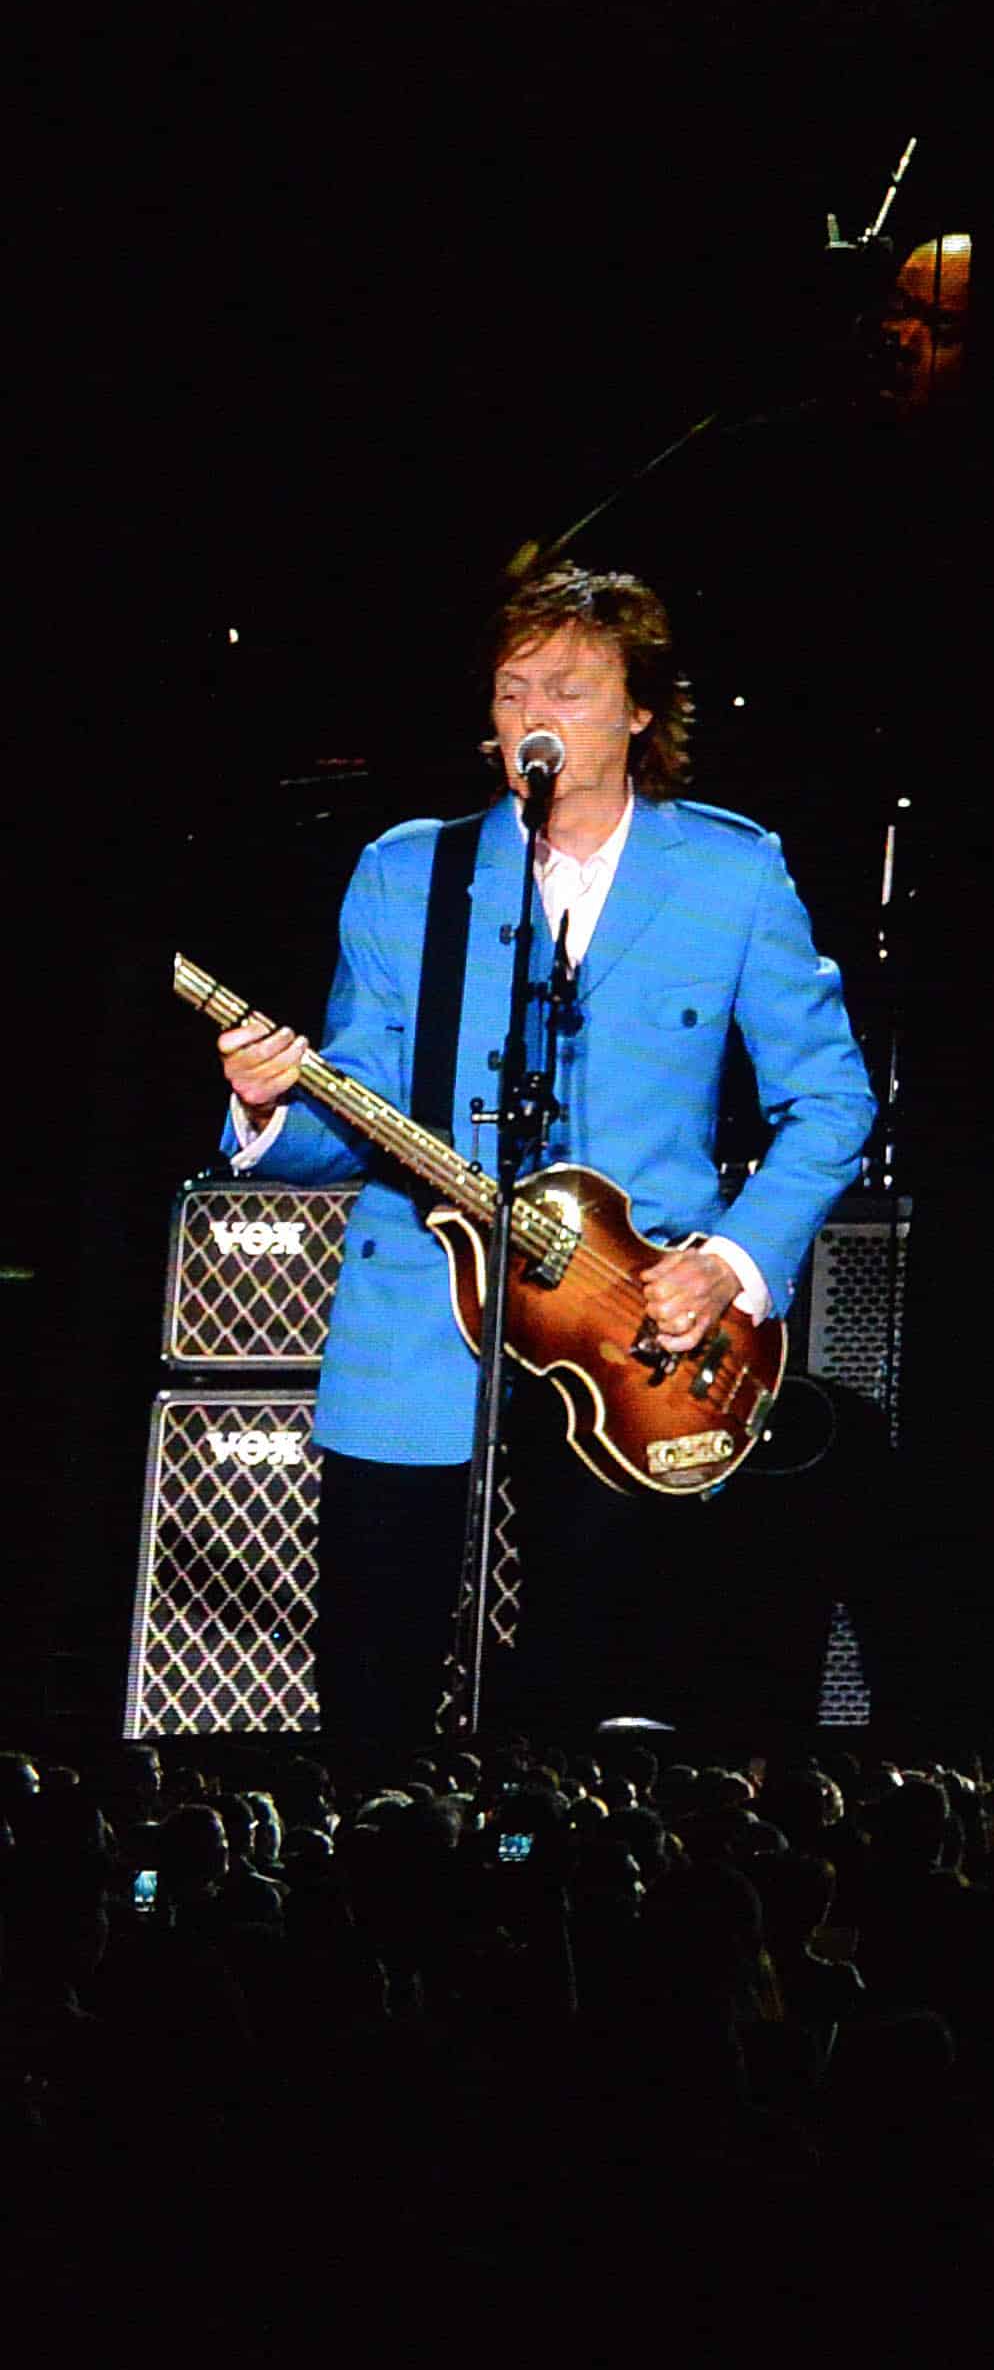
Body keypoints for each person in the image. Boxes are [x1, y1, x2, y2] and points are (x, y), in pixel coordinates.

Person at [201, 567, 881, 1755]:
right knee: (375, 1681)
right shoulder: (410, 870)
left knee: (592, 1688)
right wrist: (270, 1105)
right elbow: (353, 1109)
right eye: (514, 689)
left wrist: (729, 1262)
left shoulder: (729, 870)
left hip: (631, 1327)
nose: (535, 715)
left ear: (638, 711)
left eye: (569, 687)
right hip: (420, 1309)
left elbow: (829, 1096)